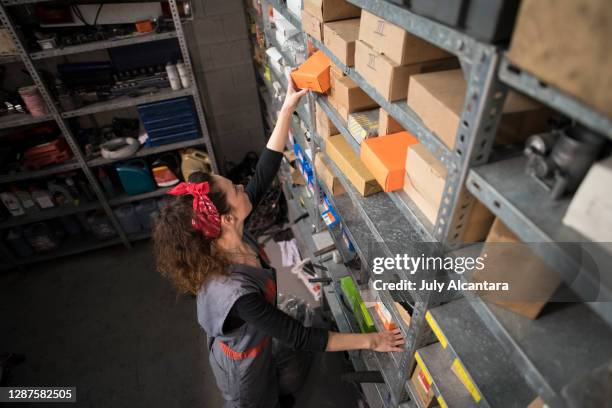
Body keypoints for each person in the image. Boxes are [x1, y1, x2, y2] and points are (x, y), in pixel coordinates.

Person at [152, 74, 404, 408]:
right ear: (226, 218)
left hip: (257, 342)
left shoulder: (225, 236)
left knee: (278, 377)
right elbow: (302, 337)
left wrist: (287, 107)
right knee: (256, 401)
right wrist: (374, 340)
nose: (244, 187)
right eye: (236, 189)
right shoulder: (236, 293)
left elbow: (264, 172)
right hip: (241, 366)